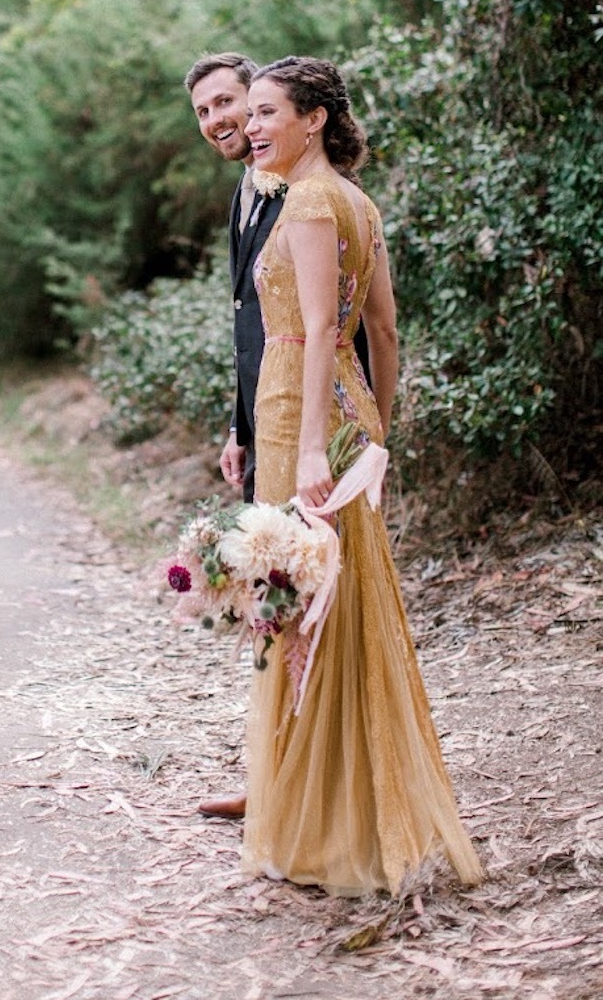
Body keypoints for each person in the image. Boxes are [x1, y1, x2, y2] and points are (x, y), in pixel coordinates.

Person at [240, 56, 482, 895]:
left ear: (314, 118)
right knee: (332, 602)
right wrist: (379, 427)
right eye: (251, 113)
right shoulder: (360, 201)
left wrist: (314, 446)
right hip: (349, 410)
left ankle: (321, 826)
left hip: (301, 412)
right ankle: (332, 810)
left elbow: (315, 328)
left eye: (267, 111)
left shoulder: (310, 200)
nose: (253, 127)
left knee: (308, 605)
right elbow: (383, 331)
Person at [185, 53, 283, 506]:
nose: (214, 120)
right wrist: (239, 428)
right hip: (261, 420)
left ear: (258, 97)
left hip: (302, 419)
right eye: (202, 112)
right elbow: (253, 320)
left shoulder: (302, 190)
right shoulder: (244, 191)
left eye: (225, 102)